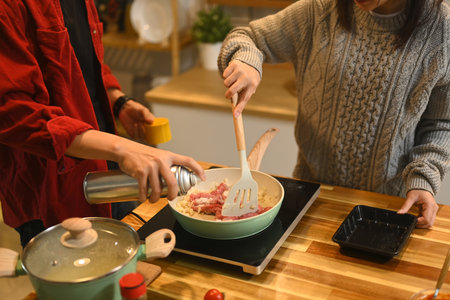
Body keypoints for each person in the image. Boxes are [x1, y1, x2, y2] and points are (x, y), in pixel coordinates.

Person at [218, 0, 449, 228]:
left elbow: (442, 122)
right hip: (312, 199)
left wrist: (423, 178)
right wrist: (245, 59)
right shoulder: (319, 10)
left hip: (388, 206)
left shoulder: (441, 30)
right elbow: (248, 37)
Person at [0, 0, 205, 247]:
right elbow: (15, 114)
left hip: (105, 168)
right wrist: (123, 148)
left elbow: (79, 60)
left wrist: (117, 101)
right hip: (49, 188)